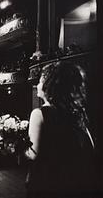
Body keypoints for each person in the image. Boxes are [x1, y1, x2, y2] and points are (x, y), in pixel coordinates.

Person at [25, 62, 96, 198]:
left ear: (49, 85)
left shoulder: (39, 114)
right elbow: (90, 147)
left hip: (46, 181)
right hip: (72, 182)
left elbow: (33, 154)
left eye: (40, 80)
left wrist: (14, 146)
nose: (38, 85)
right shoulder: (77, 113)